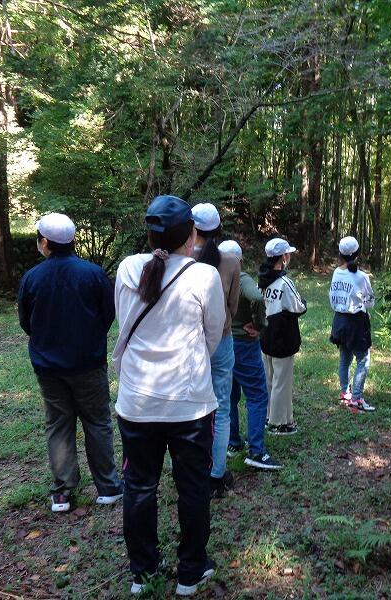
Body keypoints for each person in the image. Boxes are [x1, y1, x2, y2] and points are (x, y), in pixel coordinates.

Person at [112, 195, 225, 596]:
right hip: (189, 404)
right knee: (193, 487)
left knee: (139, 486)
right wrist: (191, 362)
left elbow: (125, 321)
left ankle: (142, 572)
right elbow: (213, 333)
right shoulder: (204, 275)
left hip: (136, 402)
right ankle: (191, 571)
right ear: (192, 235)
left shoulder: (127, 268)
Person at [18, 213, 122, 514]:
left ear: (44, 242)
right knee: (97, 422)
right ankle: (108, 487)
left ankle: (62, 492)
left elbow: (26, 321)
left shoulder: (32, 278)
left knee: (58, 424)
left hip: (49, 367)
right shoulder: (93, 274)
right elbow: (108, 314)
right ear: (73, 240)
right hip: (88, 363)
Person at [218, 240, 282, 470]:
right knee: (257, 395)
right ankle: (256, 451)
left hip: (224, 342)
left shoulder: (214, 276)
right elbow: (256, 296)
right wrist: (259, 324)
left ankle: (233, 441)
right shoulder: (242, 277)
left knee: (230, 395)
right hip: (244, 344)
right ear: (240, 260)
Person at [191, 203, 240, 499]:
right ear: (219, 229)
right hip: (222, 339)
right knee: (221, 408)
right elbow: (232, 305)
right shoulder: (231, 261)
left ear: (191, 229)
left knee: (191, 407)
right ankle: (216, 475)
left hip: (190, 343)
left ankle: (192, 469)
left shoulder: (180, 259)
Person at [258, 238, 307, 435]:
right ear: (284, 257)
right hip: (283, 337)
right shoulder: (285, 282)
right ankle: (278, 424)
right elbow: (298, 307)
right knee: (282, 382)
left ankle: (271, 416)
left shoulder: (261, 280)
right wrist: (304, 302)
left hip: (266, 336)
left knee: (270, 379)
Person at [328, 236, 376, 412]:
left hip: (339, 321)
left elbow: (332, 297)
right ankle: (356, 399)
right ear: (357, 254)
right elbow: (370, 300)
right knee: (363, 359)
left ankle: (345, 393)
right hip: (356, 323)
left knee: (345, 358)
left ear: (340, 254)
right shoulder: (361, 276)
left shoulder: (336, 273)